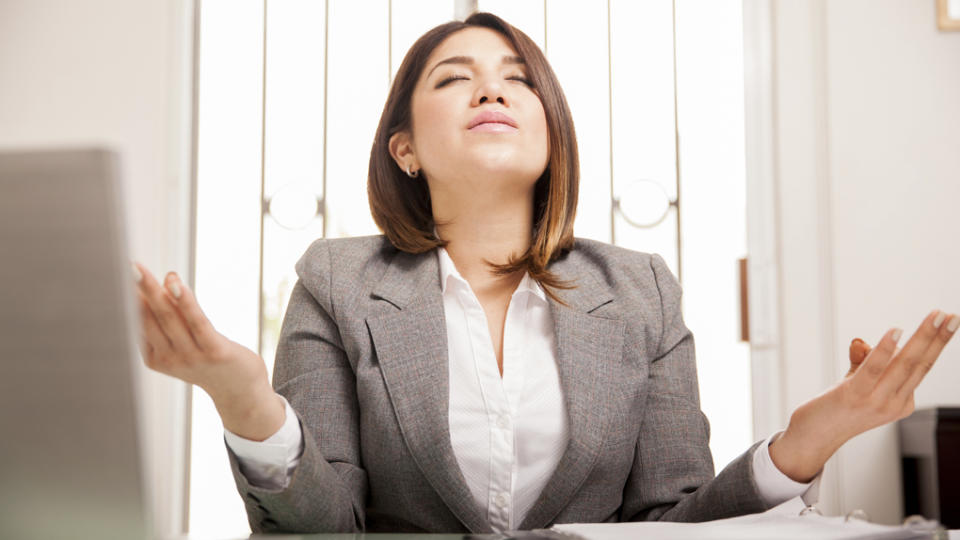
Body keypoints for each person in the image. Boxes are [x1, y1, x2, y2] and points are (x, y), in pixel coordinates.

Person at [131, 11, 958, 534]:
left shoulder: (642, 290)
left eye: (518, 80)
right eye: (456, 79)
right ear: (406, 149)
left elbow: (676, 524)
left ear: (550, 133)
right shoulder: (337, 280)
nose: (492, 88)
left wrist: (809, 442)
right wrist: (243, 398)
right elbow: (324, 526)